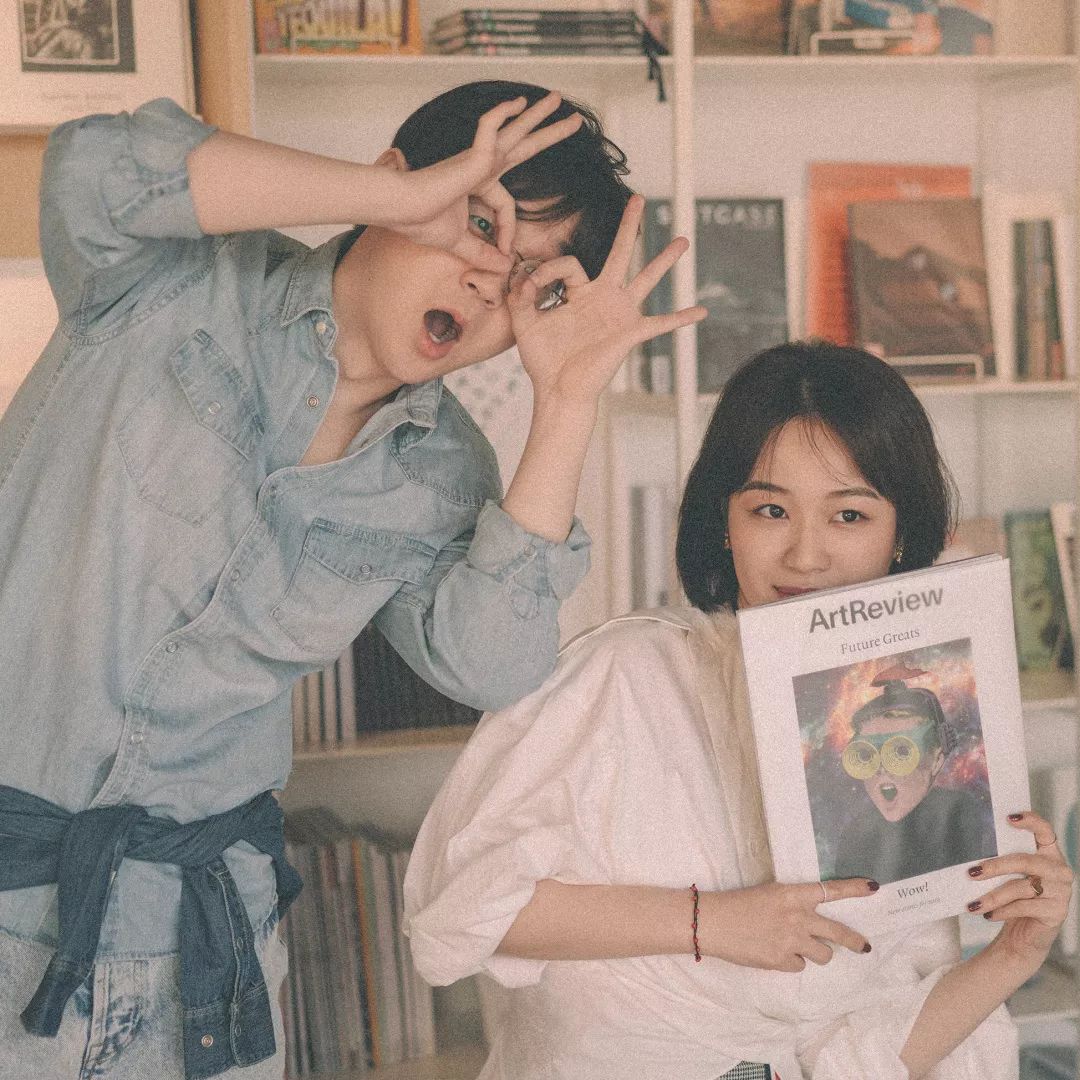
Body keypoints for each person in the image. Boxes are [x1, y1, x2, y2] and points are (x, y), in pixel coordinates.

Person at [0, 81, 704, 1080]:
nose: (485, 284)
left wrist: (568, 403)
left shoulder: (440, 474)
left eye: (530, 281)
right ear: (394, 185)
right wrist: (393, 197)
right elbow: (92, 167)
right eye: (477, 224)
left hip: (200, 957)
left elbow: (490, 665)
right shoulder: (170, 280)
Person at [405, 340, 1073, 1080]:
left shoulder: (919, 734)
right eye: (770, 509)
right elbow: (455, 914)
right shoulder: (623, 672)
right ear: (724, 520)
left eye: (849, 515)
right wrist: (711, 923)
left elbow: (857, 1060)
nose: (805, 556)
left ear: (901, 534)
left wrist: (1016, 954)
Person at [831, 664, 997, 885]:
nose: (882, 769)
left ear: (937, 759)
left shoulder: (958, 812)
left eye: (901, 752)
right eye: (865, 755)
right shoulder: (856, 835)